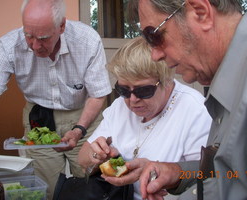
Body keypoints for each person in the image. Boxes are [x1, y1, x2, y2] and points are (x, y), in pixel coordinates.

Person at [127, 0, 247, 199]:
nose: (155, 54)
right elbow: (241, 172)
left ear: (200, 12)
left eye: (154, 35)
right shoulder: (241, 73)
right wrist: (179, 172)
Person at [0, 0, 112, 199]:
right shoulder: (9, 46)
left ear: (61, 26)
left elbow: (98, 95)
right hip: (39, 122)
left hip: (84, 116)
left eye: (43, 38)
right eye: (28, 35)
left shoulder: (87, 40)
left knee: (91, 181)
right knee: (45, 187)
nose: (35, 46)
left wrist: (79, 129)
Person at [78, 37, 212, 200]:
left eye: (143, 91)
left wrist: (163, 177)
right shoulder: (120, 105)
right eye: (124, 90)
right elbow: (83, 158)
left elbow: (207, 178)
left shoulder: (195, 110)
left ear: (166, 81)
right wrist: (97, 156)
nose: (132, 99)